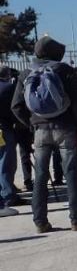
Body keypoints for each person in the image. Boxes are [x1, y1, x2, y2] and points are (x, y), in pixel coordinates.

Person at [11, 36, 77, 232]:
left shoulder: (26, 73)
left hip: (40, 131)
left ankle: (40, 222)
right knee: (71, 173)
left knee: (40, 176)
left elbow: (16, 106)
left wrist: (31, 123)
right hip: (65, 128)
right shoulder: (65, 70)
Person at [0, 67, 27, 209]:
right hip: (4, 128)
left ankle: (4, 191)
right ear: (8, 75)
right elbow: (15, 108)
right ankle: (9, 195)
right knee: (7, 162)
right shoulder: (9, 88)